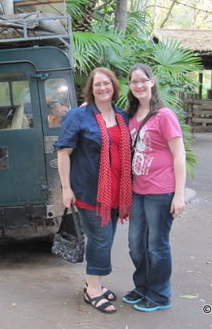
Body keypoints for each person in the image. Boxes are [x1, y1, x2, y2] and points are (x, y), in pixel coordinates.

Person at [54, 67, 132, 314]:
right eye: (97, 84)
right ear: (91, 88)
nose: (102, 88)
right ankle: (94, 291)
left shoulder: (122, 116)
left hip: (117, 191)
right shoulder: (78, 116)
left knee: (106, 240)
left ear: (114, 87)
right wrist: (66, 188)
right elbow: (63, 152)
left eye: (106, 83)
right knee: (100, 240)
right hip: (89, 190)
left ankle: (92, 282)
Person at [122, 63, 186, 312]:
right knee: (136, 243)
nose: (138, 85)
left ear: (151, 82)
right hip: (139, 190)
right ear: (130, 86)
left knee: (156, 245)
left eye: (142, 80)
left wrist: (179, 195)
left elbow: (179, 155)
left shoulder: (164, 115)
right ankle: (143, 286)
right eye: (133, 81)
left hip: (162, 190)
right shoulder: (130, 115)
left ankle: (159, 294)